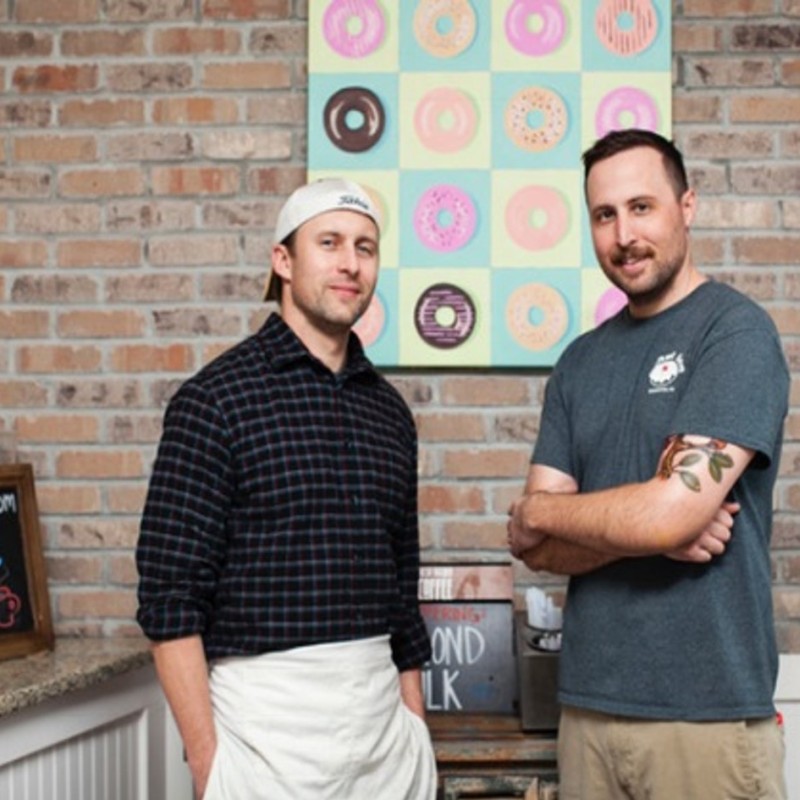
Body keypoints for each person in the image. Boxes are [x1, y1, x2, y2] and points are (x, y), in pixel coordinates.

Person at [507, 129, 788, 800]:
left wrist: (550, 510)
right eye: (604, 215)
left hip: (705, 720)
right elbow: (536, 549)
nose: (623, 233)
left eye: (641, 207)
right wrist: (650, 526)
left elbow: (657, 513)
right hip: (588, 713)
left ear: (685, 206)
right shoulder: (580, 362)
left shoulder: (735, 332)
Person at [136, 178, 437, 800]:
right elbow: (170, 600)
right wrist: (208, 763)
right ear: (283, 260)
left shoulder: (389, 413)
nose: (350, 263)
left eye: (365, 246)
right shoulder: (214, 401)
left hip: (386, 736)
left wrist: (416, 727)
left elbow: (401, 591)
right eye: (328, 243)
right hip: (263, 736)